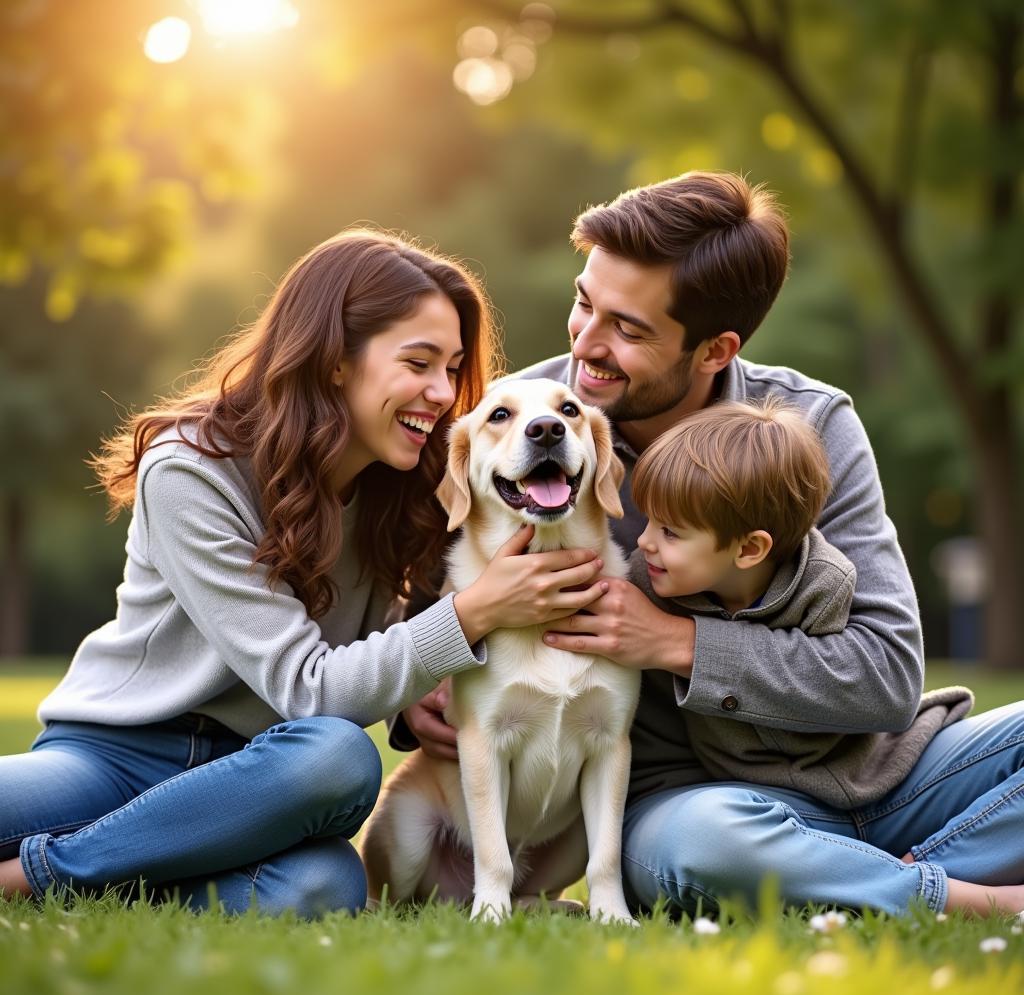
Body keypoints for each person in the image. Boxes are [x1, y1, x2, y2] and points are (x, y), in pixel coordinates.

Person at [397, 172, 1024, 918]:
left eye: (628, 330)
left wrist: (676, 641)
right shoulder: (522, 432)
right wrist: (419, 694)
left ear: (715, 350)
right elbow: (417, 609)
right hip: (695, 807)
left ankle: (855, 878)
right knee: (701, 850)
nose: (586, 347)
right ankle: (951, 891)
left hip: (890, 779)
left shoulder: (813, 425)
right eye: (583, 303)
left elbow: (888, 675)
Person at [0, 229, 609, 917]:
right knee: (338, 752)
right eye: (419, 363)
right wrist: (472, 615)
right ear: (336, 361)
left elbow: (378, 648)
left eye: (453, 367)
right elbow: (308, 690)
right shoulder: (191, 471)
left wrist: (416, 695)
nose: (442, 393)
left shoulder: (401, 483)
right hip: (116, 759)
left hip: (261, 784)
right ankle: (45, 875)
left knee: (327, 882)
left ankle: (107, 863)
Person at [627, 397, 972, 811]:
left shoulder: (824, 583)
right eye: (648, 520)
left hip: (882, 775)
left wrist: (693, 648)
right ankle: (929, 871)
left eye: (670, 532)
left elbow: (862, 685)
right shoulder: (649, 582)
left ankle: (903, 863)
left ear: (750, 549)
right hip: (753, 806)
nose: (643, 541)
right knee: (705, 837)